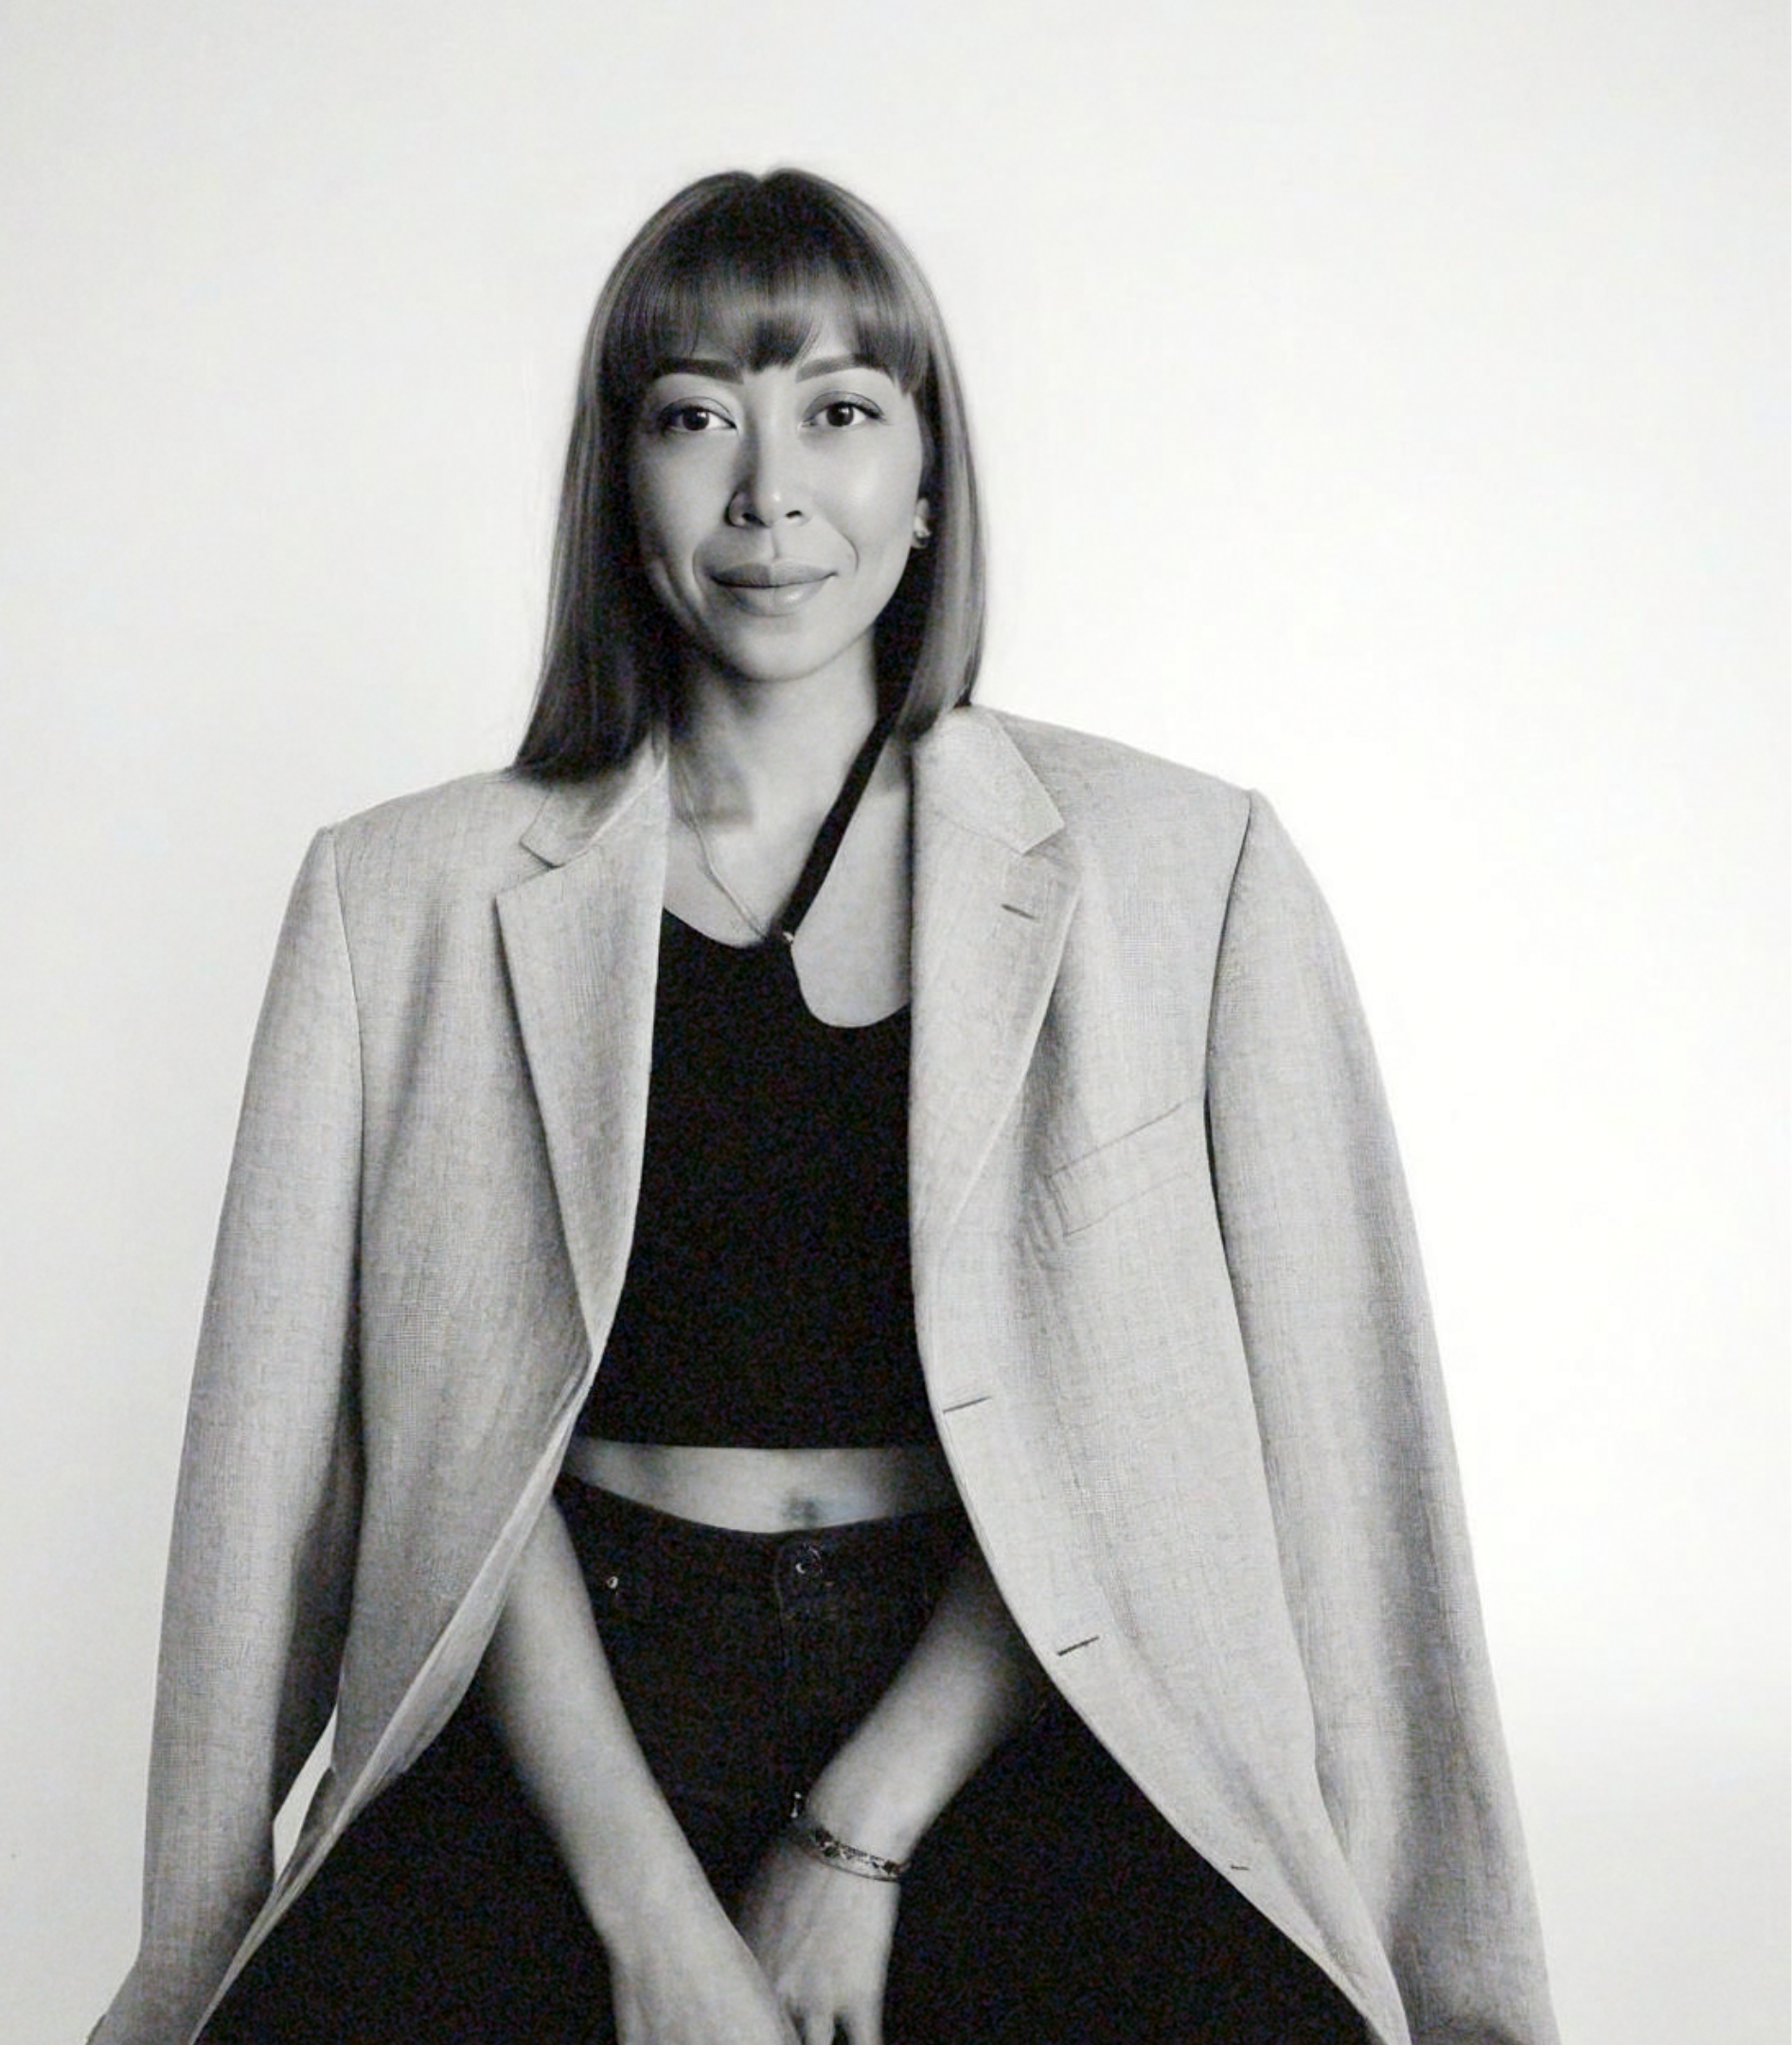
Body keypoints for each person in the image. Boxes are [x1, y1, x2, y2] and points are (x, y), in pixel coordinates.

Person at [94, 169, 1558, 2045]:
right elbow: (415, 1441)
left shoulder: (1192, 873)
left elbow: (1307, 1464)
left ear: (930, 481)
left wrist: (858, 1836)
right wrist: (648, 1917)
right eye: (696, 415)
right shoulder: (402, 901)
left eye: (842, 411)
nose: (770, 493)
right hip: (565, 1717)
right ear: (619, 486)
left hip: (1023, 1696)